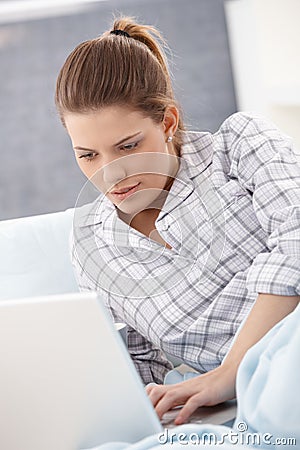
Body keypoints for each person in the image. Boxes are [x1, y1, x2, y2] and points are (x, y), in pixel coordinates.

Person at [55, 16, 300, 424]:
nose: (109, 174)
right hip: (239, 408)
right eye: (87, 155)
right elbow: (135, 364)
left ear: (167, 122)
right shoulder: (92, 245)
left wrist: (229, 373)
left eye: (128, 146)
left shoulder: (240, 146)